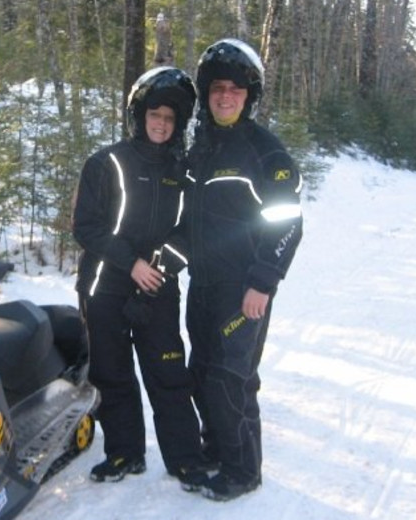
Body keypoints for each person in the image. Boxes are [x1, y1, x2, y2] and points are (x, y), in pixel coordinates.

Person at [165, 38, 304, 501]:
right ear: (206, 93)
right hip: (202, 285)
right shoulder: (201, 148)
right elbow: (192, 223)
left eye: (236, 89)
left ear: (249, 96)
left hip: (243, 289)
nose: (226, 96)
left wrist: (263, 281)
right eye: (218, 88)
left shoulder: (263, 150)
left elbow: (288, 222)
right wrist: (161, 262)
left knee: (232, 378)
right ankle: (216, 450)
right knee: (202, 372)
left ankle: (243, 469)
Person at [72, 66, 207, 491]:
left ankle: (184, 459)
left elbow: (192, 231)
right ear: (139, 114)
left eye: (169, 118)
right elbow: (86, 226)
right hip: (105, 287)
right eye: (155, 115)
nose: (161, 124)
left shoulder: (183, 173)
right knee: (112, 374)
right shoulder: (106, 162)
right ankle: (124, 453)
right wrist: (130, 263)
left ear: (178, 123)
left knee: (168, 374)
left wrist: (163, 266)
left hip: (158, 289)